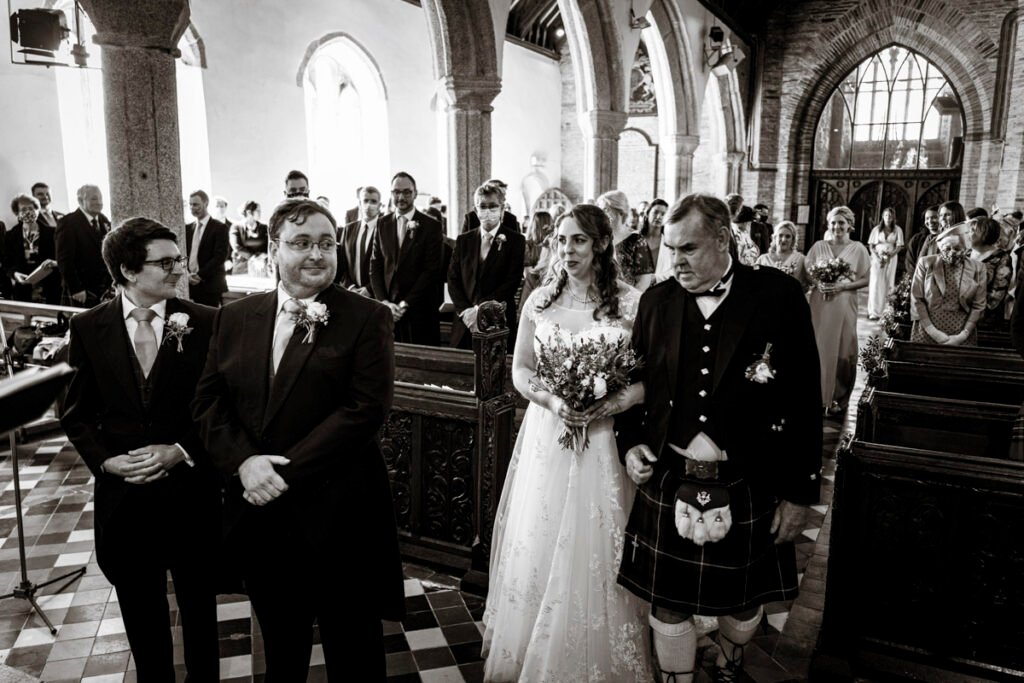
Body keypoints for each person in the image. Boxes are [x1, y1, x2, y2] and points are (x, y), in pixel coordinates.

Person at [193, 198, 403, 680]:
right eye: (302, 243)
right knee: (282, 651)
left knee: (354, 654)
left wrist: (275, 472)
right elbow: (208, 402)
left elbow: (364, 410)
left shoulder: (366, 317)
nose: (317, 254)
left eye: (327, 243)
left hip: (340, 514)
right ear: (273, 249)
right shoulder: (235, 316)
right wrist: (245, 463)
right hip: (264, 519)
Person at [616, 193, 822, 683]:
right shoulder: (657, 301)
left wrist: (799, 493)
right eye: (670, 249)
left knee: (745, 596)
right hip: (672, 473)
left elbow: (803, 398)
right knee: (668, 603)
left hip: (752, 475)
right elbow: (632, 383)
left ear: (723, 238)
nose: (676, 261)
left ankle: (731, 660)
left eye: (687, 248)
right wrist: (630, 443)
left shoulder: (777, 296)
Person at [482, 204, 652, 682]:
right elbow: (519, 371)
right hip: (548, 438)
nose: (567, 249)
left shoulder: (631, 303)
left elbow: (650, 381)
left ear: (600, 244)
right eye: (560, 239)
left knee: (599, 539)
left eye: (578, 239)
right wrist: (555, 403)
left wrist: (610, 404)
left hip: (603, 443)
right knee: (540, 537)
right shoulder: (539, 299)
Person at [61, 217, 221, 682]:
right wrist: (105, 462)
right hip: (127, 498)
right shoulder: (89, 328)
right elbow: (76, 411)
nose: (179, 269)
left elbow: (220, 406)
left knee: (199, 610)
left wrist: (181, 450)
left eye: (178, 258)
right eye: (166, 261)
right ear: (129, 271)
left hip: (191, 492)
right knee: (141, 613)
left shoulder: (206, 322)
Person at [806, 205, 870, 416]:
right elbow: (808, 272)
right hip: (820, 302)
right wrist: (818, 283)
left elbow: (866, 278)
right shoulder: (818, 246)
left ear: (849, 225)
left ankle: (837, 398)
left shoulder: (858, 248)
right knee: (818, 346)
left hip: (844, 302)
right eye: (833, 222)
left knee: (844, 346)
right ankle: (815, 394)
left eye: (841, 222)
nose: (837, 226)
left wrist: (842, 286)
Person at [447, 182, 526, 350]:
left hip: (498, 322)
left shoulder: (515, 241)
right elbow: (453, 279)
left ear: (502, 209)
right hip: (465, 323)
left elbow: (511, 282)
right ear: (476, 210)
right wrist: (466, 312)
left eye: (492, 206)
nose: (487, 211)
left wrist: (479, 310)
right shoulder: (464, 240)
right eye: (483, 206)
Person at [368, 171, 444, 345]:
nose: (401, 197)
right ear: (391, 193)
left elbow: (431, 270)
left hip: (419, 311)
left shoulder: (431, 226)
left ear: (415, 193)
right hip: (388, 311)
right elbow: (375, 265)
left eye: (406, 192)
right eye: (396, 192)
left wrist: (405, 304)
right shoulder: (382, 223)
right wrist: (384, 302)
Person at [910, 223, 987, 346]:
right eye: (947, 248)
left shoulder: (978, 268)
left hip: (962, 329)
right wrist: (934, 333)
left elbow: (979, 305)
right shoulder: (926, 263)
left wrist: (962, 336)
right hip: (927, 328)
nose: (951, 253)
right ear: (940, 247)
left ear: (965, 249)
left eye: (957, 249)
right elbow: (917, 299)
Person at [56, 184, 112, 306]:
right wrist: (76, 289)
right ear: (80, 201)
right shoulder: (68, 223)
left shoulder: (103, 219)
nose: (99, 202)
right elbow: (64, 260)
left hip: (102, 288)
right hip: (82, 291)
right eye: (93, 199)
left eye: (100, 198)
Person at [5, 193, 60, 303]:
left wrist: (54, 262)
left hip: (51, 287)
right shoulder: (10, 236)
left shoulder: (53, 233)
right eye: (23, 209)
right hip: (23, 289)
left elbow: (62, 258)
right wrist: (14, 274)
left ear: (37, 210)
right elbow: (6, 262)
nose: (28, 212)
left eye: (31, 208)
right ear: (17, 214)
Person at [598, 189, 654, 290]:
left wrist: (628, 302)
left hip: (628, 299)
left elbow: (644, 281)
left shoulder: (636, 239)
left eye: (605, 209)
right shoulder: (598, 238)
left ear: (619, 211)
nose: (601, 214)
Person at [185, 190, 230, 307]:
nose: (192, 208)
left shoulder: (219, 228)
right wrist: (187, 274)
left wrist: (200, 275)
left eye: (196, 204)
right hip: (190, 284)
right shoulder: (187, 228)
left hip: (210, 284)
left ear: (205, 204)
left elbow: (220, 256)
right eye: (190, 204)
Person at [969, 217, 1013, 330]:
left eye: (973, 230)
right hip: (958, 313)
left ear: (985, 234)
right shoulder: (965, 253)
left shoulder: (1001, 257)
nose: (968, 233)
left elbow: (998, 292)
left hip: (984, 318)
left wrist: (975, 311)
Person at [337, 186, 381, 297]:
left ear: (379, 206)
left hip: (377, 295)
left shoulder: (385, 229)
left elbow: (388, 267)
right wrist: (350, 287)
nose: (369, 205)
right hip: (351, 293)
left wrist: (369, 289)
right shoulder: (348, 229)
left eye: (373, 201)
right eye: (365, 201)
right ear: (360, 204)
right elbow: (342, 263)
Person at [867, 207, 904, 320]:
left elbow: (899, 246)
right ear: (883, 217)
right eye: (886, 215)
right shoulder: (876, 229)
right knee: (875, 282)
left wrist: (890, 255)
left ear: (894, 218)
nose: (888, 218)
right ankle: (874, 311)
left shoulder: (897, 230)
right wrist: (878, 256)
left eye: (890, 216)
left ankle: (886, 311)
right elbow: (871, 246)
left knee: (888, 282)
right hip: (876, 259)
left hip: (891, 258)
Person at [520, 210, 554, 307]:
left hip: (531, 288)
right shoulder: (553, 244)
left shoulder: (527, 245)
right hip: (548, 286)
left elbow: (527, 272)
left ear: (533, 225)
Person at [229, 201, 269, 276]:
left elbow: (269, 245)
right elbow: (236, 246)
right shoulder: (236, 227)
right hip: (242, 268)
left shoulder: (264, 227)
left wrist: (263, 256)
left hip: (260, 268)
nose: (260, 213)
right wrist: (254, 258)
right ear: (249, 212)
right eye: (258, 211)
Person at [904, 205, 941, 275]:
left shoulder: (946, 238)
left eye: (934, 217)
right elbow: (909, 261)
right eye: (927, 218)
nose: (930, 221)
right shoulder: (917, 239)